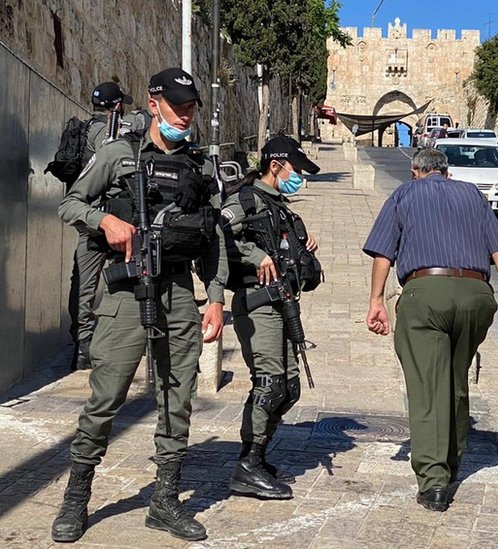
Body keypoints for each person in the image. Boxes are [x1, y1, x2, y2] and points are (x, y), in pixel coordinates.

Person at [52, 68, 227, 543]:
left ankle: (165, 501)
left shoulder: (198, 167)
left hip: (176, 293)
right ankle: (75, 498)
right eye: (178, 106)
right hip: (126, 292)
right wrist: (104, 219)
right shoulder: (117, 154)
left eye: (191, 107)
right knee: (106, 397)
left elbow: (213, 239)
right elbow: (70, 204)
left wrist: (214, 298)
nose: (186, 114)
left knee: (178, 398)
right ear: (154, 105)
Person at [363, 148, 498, 512]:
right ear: (447, 172)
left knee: (427, 387)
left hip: (425, 294)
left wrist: (376, 300)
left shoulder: (405, 194)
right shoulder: (472, 194)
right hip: (476, 297)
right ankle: (452, 463)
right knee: (455, 381)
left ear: (415, 171)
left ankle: (435, 481)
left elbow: (383, 254)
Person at [220, 136, 323, 500]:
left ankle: (258, 455)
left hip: (283, 304)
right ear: (276, 166)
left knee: (289, 387)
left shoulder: (280, 206)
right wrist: (254, 255)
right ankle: (246, 465)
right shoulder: (245, 199)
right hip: (257, 304)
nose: (300, 179)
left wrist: (304, 245)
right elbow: (220, 234)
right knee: (269, 383)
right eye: (296, 170)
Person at [68, 82, 134, 371]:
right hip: (110, 217)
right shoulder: (109, 134)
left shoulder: (83, 129)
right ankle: (107, 343)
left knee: (83, 282)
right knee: (128, 276)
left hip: (86, 217)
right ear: (117, 106)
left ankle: (82, 345)